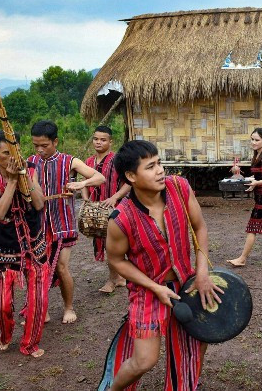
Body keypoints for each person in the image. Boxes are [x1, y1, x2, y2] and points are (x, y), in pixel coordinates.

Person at [103, 140, 222, 390]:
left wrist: (202, 273)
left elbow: (199, 227)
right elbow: (116, 260)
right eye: (150, 167)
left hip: (187, 284)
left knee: (194, 348)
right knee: (144, 360)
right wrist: (154, 287)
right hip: (147, 291)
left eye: (159, 163)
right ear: (130, 176)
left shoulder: (179, 188)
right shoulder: (121, 218)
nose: (160, 171)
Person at [0, 130, 49, 358]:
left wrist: (24, 177)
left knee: (38, 301)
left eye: (15, 152)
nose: (12, 158)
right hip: (2, 248)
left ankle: (30, 344)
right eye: (5, 153)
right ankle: (6, 333)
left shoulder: (31, 168)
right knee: (0, 305)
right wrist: (12, 182)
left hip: (33, 245)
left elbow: (38, 203)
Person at [28, 120, 105, 324]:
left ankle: (68, 307)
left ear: (55, 141)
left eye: (44, 145)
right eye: (36, 145)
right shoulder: (30, 162)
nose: (40, 150)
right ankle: (41, 310)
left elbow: (99, 177)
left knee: (62, 268)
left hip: (63, 225)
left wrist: (82, 182)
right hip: (38, 225)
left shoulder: (70, 161)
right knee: (38, 268)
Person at [81, 125, 131, 293]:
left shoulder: (118, 160)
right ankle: (120, 277)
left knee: (113, 244)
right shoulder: (88, 162)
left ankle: (113, 279)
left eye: (103, 140)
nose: (98, 142)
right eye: (96, 139)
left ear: (110, 142)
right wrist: (86, 199)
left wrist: (114, 197)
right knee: (105, 242)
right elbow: (84, 182)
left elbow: (129, 183)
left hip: (115, 208)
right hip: (96, 211)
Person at [227, 128, 262, 266]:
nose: (253, 142)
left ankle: (242, 259)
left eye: (257, 140)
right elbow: (259, 176)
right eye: (252, 139)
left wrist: (257, 183)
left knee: (252, 227)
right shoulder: (258, 155)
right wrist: (249, 180)